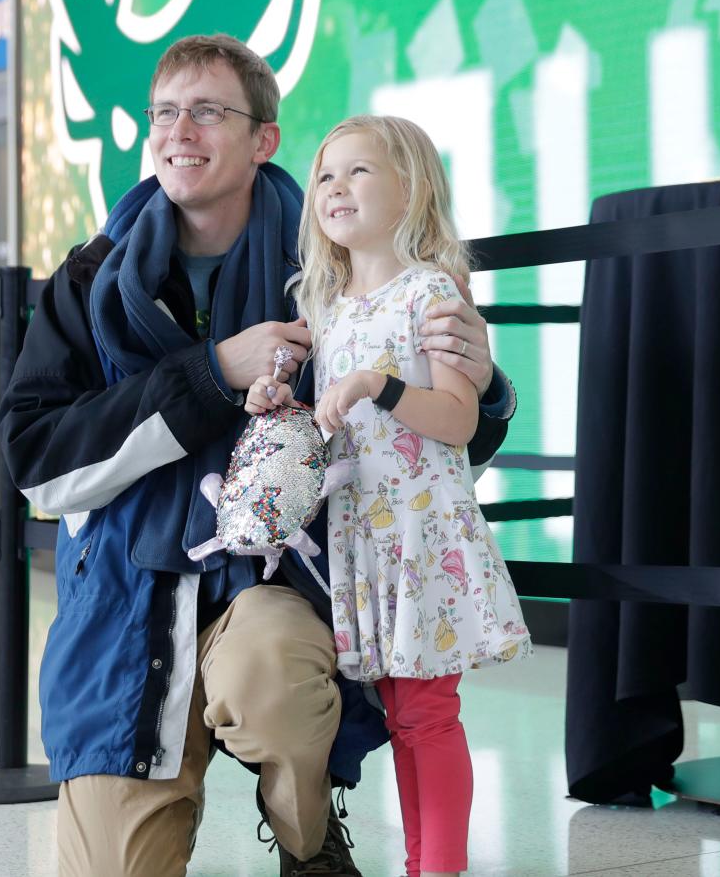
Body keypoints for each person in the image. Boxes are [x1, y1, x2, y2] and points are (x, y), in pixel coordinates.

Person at [0, 36, 518, 877]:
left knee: (275, 682)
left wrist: (482, 381)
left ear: (263, 139)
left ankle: (309, 831)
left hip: (276, 589)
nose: (180, 131)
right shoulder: (92, 280)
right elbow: (40, 461)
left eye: (208, 110)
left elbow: (447, 440)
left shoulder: (331, 268)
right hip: (129, 604)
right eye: (165, 112)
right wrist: (211, 373)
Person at [245, 115, 532, 877]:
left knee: (429, 714)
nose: (336, 187)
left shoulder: (433, 293)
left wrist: (380, 385)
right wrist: (280, 397)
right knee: (406, 715)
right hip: (365, 539)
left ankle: (438, 867)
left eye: (360, 171)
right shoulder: (328, 307)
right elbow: (329, 425)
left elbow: (458, 419)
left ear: (412, 189)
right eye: (326, 176)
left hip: (421, 535)